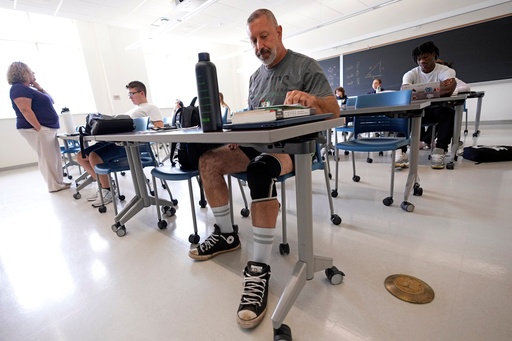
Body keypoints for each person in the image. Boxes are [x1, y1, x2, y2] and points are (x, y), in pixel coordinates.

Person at [190, 8, 340, 330]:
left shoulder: (305, 66)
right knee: (209, 161)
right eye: (254, 40)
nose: (259, 46)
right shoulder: (256, 78)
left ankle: (258, 269)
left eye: (264, 36)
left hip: (295, 150)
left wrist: (311, 100)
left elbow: (333, 109)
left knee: (260, 171)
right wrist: (239, 136)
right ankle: (227, 236)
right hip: (258, 147)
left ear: (279, 32)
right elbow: (256, 120)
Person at [77, 81, 163, 206]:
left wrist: (144, 129)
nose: (130, 97)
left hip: (131, 145)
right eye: (129, 94)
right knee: (81, 155)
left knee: (94, 156)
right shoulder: (133, 110)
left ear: (142, 93)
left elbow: (159, 126)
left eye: (132, 93)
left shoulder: (150, 108)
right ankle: (104, 186)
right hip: (116, 141)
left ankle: (108, 191)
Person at [7, 61, 71, 193]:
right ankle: (53, 185)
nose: (33, 73)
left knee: (54, 157)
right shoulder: (18, 88)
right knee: (47, 158)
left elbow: (51, 100)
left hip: (47, 128)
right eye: (31, 71)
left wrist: (39, 87)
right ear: (23, 73)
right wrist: (39, 129)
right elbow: (25, 110)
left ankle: (58, 182)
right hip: (37, 129)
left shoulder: (29, 89)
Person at [399, 41, 457, 169]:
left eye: (425, 57)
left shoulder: (445, 71)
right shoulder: (411, 74)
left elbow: (449, 89)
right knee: (402, 115)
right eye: (418, 59)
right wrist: (435, 90)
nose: (421, 61)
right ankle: (401, 152)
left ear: (433, 55)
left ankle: (440, 150)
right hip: (416, 111)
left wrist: (417, 91)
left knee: (448, 112)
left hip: (436, 110)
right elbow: (404, 92)